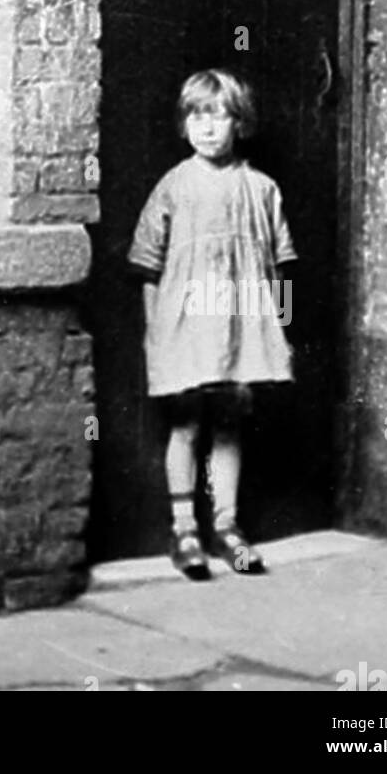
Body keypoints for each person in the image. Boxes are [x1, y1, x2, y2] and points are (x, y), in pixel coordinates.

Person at [127, 68, 296, 580]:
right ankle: (185, 530)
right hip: (187, 325)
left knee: (228, 423)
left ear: (239, 123)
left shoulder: (262, 189)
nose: (207, 128)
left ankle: (227, 526)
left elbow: (281, 268)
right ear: (184, 124)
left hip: (241, 324)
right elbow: (148, 267)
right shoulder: (174, 186)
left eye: (219, 116)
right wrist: (155, 330)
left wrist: (278, 330)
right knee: (187, 421)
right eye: (197, 116)